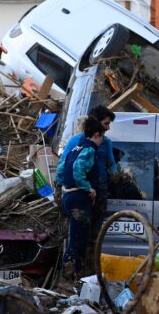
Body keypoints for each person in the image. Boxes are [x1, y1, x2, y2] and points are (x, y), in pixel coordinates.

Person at [56, 117, 105, 280]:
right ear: (97, 134)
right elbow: (78, 170)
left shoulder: (74, 148)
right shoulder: (89, 150)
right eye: (102, 137)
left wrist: (63, 186)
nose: (102, 141)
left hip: (68, 196)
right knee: (78, 240)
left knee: (74, 237)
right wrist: (88, 187)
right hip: (79, 199)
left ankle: (72, 276)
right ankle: (69, 278)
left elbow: (61, 169)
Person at [59, 106, 116, 238]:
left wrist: (115, 179)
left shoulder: (106, 143)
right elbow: (64, 163)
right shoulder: (76, 141)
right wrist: (59, 186)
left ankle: (90, 256)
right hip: (81, 192)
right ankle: (75, 257)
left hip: (100, 192)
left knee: (95, 235)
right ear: (96, 122)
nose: (108, 128)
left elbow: (112, 166)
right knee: (79, 233)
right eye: (106, 123)